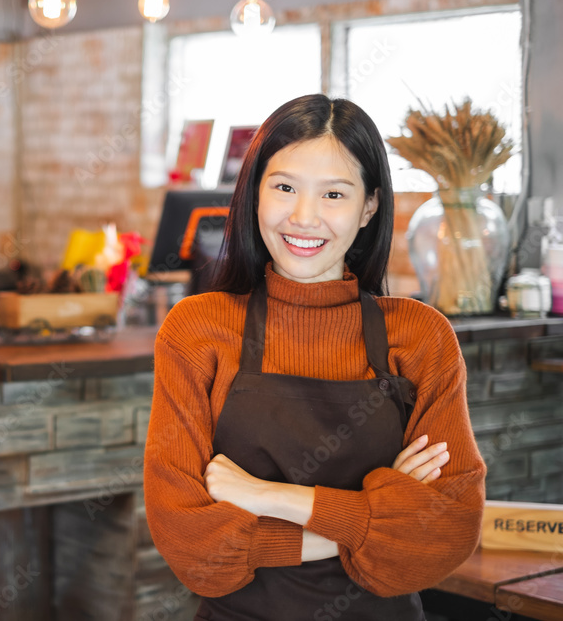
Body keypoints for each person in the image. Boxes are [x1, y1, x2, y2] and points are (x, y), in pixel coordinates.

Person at [144, 94, 486, 620]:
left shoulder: (420, 336)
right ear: (254, 193)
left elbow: (445, 533)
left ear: (369, 206)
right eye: (284, 187)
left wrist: (266, 497)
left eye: (334, 194)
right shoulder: (197, 331)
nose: (304, 218)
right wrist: (371, 521)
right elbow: (193, 549)